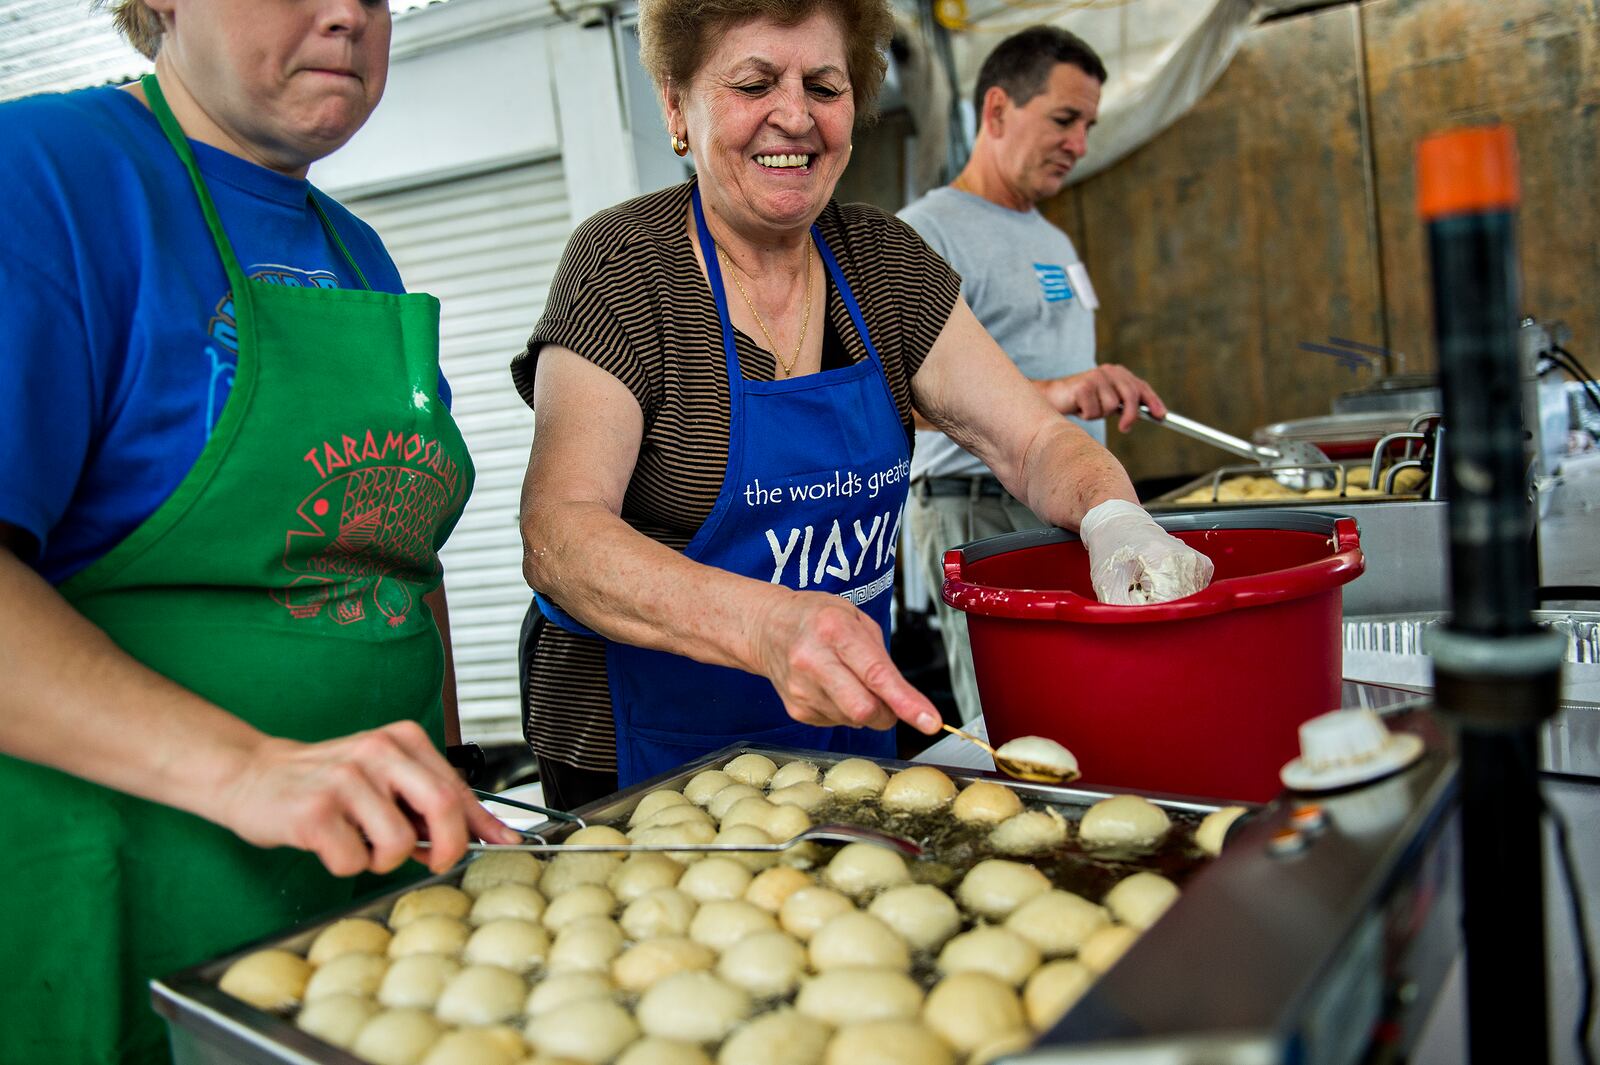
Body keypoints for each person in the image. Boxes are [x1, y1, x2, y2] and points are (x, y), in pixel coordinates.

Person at [514, 0, 1213, 805]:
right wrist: (767, 627)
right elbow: (559, 533)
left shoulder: (882, 263)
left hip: (843, 740)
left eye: (823, 85)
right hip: (647, 759)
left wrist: (1114, 520)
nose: (794, 116)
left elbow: (1032, 442)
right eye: (753, 83)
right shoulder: (624, 267)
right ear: (676, 103)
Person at [0, 1, 521, 1060]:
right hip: (137, 909)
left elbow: (396, 560)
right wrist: (244, 769)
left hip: (369, 905)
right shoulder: (45, 181)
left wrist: (451, 763)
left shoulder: (356, 250)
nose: (346, 14)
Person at [899, 26, 1172, 723]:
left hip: (1065, 502)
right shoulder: (928, 233)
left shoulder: (1053, 239)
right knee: (1019, 714)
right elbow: (893, 394)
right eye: (1063, 118)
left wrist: (1090, 389)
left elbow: (1056, 365)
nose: (1080, 143)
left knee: (1094, 700)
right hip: (978, 503)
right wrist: (1053, 396)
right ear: (996, 111)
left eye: (1088, 124)